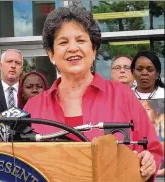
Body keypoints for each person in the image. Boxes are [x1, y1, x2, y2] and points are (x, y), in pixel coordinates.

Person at [23, 5, 163, 181]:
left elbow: (153, 151)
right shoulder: (33, 108)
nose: (73, 48)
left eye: (81, 40)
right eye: (63, 42)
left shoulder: (123, 96)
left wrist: (148, 162)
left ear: (94, 49)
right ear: (51, 53)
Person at [0, 49, 23, 140]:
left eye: (17, 63)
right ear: (0, 66)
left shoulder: (27, 93)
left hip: (25, 148)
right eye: (9, 62)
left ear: (22, 69)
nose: (13, 66)